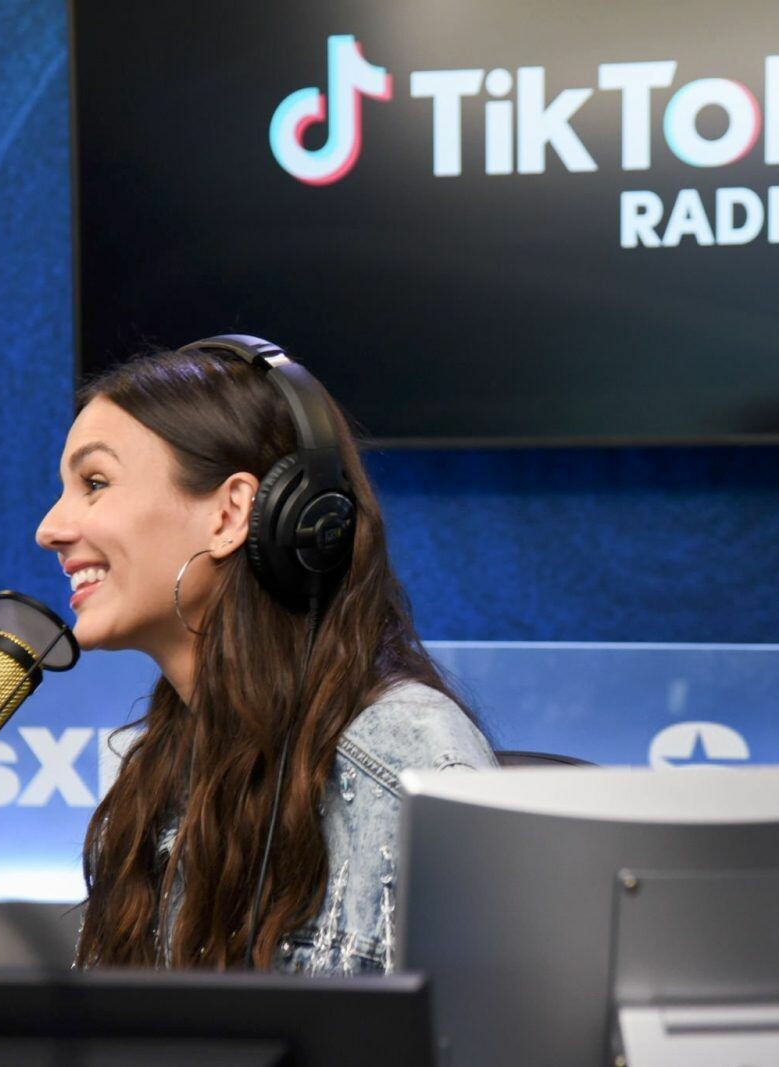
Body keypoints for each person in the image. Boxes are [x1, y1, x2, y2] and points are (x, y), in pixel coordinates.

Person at [34, 335, 497, 974]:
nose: (50, 529)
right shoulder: (155, 772)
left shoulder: (405, 761)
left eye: (94, 483)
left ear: (229, 515)